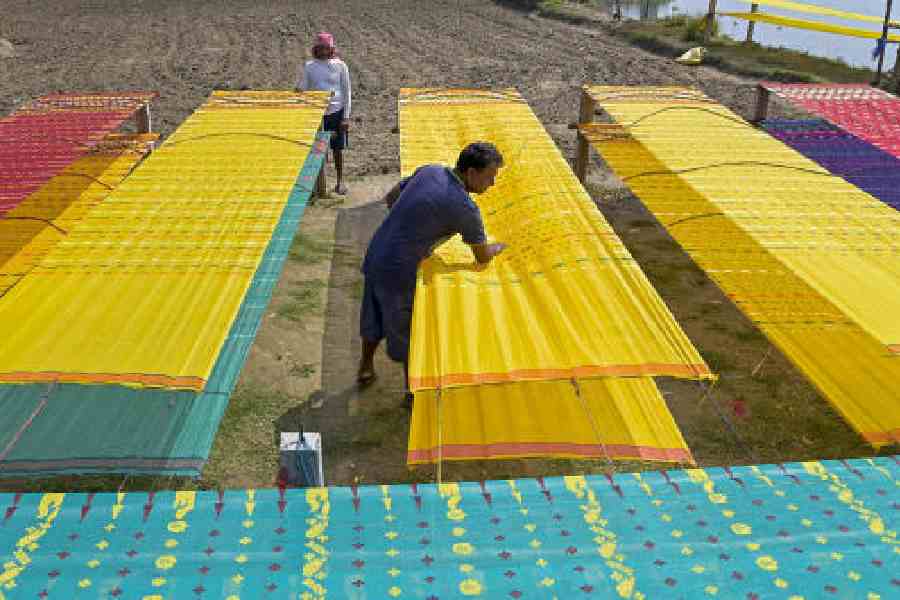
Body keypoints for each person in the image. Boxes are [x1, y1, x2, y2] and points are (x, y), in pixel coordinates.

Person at [357, 142, 507, 403]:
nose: (492, 184)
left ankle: (365, 367)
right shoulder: (465, 208)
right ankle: (412, 393)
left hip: (377, 251)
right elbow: (482, 256)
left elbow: (391, 198)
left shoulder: (431, 170)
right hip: (399, 271)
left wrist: (413, 229)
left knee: (373, 313)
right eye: (489, 177)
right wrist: (497, 247)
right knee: (409, 331)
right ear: (472, 173)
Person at [296, 31, 352, 195]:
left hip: (336, 112)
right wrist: (297, 94)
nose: (323, 51)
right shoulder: (310, 66)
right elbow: (303, 87)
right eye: (320, 48)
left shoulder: (340, 66)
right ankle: (316, 187)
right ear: (316, 49)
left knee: (337, 148)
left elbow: (347, 92)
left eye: (326, 48)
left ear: (331, 49)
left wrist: (346, 117)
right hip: (317, 114)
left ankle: (340, 181)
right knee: (317, 150)